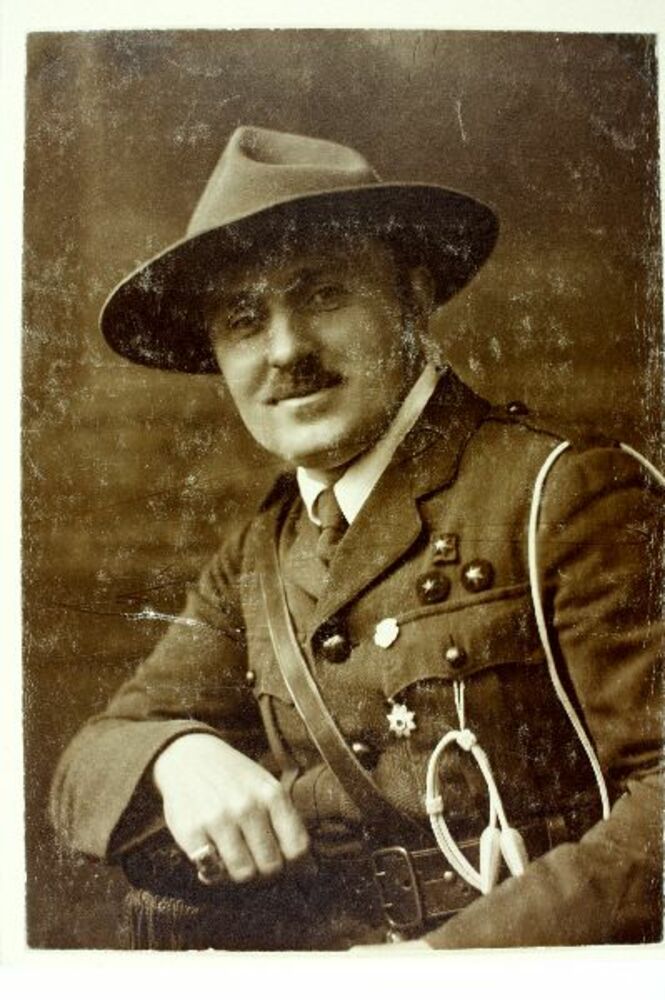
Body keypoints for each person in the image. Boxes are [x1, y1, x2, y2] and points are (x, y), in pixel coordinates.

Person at [50, 125, 664, 951]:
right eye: (243, 319)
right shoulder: (262, 554)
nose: (286, 350)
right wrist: (174, 753)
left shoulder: (562, 491)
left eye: (323, 295)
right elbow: (88, 761)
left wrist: (442, 968)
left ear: (413, 299)